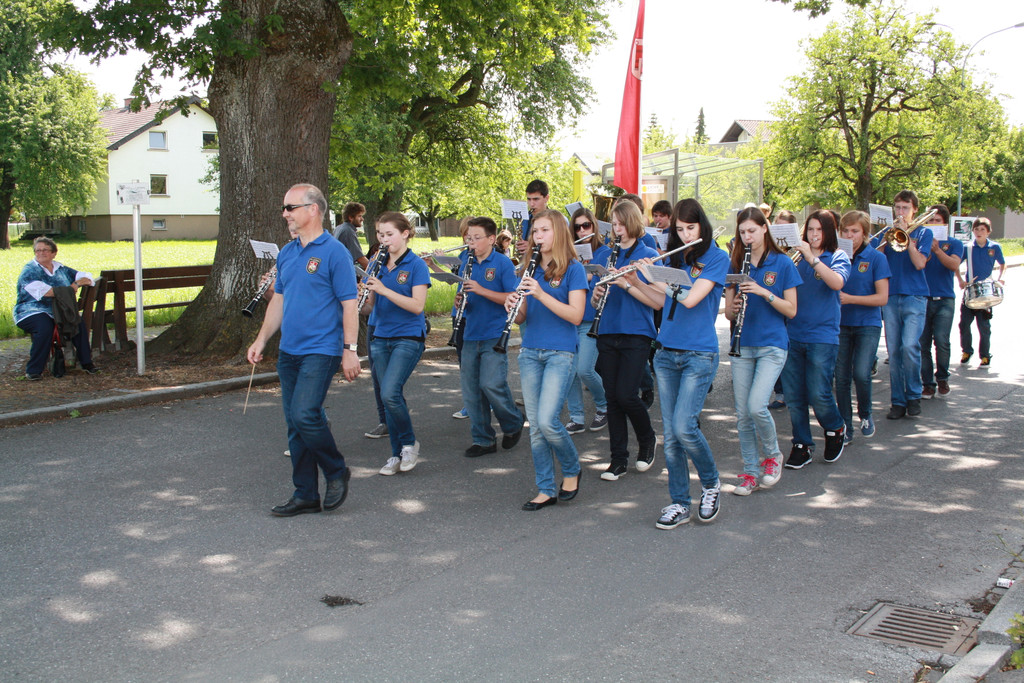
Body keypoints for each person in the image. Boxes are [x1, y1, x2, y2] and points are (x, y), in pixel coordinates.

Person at [247, 184, 360, 517]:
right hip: (290, 351)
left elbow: (349, 304)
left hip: (321, 349)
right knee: (295, 424)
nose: (285, 214)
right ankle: (306, 493)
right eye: (284, 208)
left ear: (313, 209)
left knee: (305, 414)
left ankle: (336, 470)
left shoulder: (334, 251)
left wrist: (349, 349)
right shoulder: (287, 252)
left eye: (290, 207)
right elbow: (278, 301)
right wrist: (261, 339)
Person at [631, 199, 729, 527]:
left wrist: (653, 275)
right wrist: (632, 281)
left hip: (699, 354)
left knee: (685, 427)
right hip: (666, 352)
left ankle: (712, 483)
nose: (686, 235)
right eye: (680, 229)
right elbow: (661, 301)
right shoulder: (676, 257)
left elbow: (689, 298)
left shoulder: (716, 256)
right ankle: (680, 502)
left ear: (702, 225)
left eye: (691, 228)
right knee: (671, 435)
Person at [505, 209, 587, 511]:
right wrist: (511, 306)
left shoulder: (574, 270)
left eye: (544, 230)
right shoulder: (529, 269)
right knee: (536, 427)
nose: (538, 237)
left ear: (559, 233)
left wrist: (540, 293)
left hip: (560, 353)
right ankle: (545, 488)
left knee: (548, 421)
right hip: (530, 352)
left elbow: (575, 315)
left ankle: (572, 467)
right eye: (535, 232)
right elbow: (523, 316)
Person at [724, 207, 799, 496]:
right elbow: (730, 315)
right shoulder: (736, 264)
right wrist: (733, 307)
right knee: (742, 414)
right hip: (743, 345)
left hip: (771, 344)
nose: (747, 237)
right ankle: (750, 472)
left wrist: (763, 292)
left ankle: (773, 455)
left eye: (752, 231)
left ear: (764, 229)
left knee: (757, 406)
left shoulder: (782, 263)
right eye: (742, 232)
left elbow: (791, 310)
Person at [591, 200, 661, 481]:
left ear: (632, 222)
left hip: (637, 332)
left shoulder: (648, 254)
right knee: (612, 397)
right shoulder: (607, 254)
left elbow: (657, 301)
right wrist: (596, 296)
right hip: (607, 329)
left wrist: (628, 284)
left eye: (620, 224)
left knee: (627, 395)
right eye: (614, 224)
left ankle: (647, 440)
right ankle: (618, 459)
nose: (616, 229)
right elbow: (594, 296)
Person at [360, 212, 431, 476]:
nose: (384, 239)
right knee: (389, 396)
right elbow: (369, 309)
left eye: (389, 234)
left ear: (404, 234)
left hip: (408, 336)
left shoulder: (416, 265)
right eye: (380, 234)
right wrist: (362, 300)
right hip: (380, 336)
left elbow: (417, 306)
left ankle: (409, 443)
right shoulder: (375, 265)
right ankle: (395, 453)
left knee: (390, 392)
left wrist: (384, 289)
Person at [779, 211, 851, 469]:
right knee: (794, 395)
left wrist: (812, 259)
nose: (814, 235)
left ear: (829, 232)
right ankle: (802, 443)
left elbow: (837, 282)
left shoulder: (838, 256)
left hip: (822, 335)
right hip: (792, 333)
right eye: (810, 230)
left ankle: (834, 428)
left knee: (819, 393)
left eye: (819, 230)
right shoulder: (794, 259)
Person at [457, 216, 525, 457]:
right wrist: (460, 300)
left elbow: (512, 297)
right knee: (471, 389)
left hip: (494, 333)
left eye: (477, 238)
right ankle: (483, 439)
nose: (471, 242)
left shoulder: (503, 263)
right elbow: (464, 291)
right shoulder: (465, 260)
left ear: (491, 239)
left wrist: (481, 290)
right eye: (469, 238)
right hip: (470, 332)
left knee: (491, 384)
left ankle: (513, 421)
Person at [870, 190, 933, 419]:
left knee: (909, 346)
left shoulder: (924, 232)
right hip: (891, 296)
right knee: (894, 351)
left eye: (905, 208)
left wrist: (907, 237)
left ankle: (914, 395)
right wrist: (888, 238)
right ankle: (898, 401)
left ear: (914, 209)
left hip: (915, 296)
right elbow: (873, 258)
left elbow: (919, 264)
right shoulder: (887, 232)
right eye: (897, 207)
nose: (900, 212)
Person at [834, 210, 890, 444]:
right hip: (841, 324)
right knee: (841, 377)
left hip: (867, 323)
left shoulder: (876, 258)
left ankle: (865, 414)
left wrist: (851, 299)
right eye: (845, 231)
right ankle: (846, 425)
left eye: (854, 231)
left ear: (865, 233)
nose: (849, 235)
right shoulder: (837, 256)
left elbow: (882, 298)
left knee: (861, 373)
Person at [14, 237, 99, 380]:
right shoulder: (29, 271)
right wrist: (71, 288)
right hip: (31, 310)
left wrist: (76, 284)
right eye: (38, 250)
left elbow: (87, 277)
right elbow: (47, 292)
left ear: (54, 253)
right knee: (44, 327)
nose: (41, 253)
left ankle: (87, 363)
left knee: (77, 322)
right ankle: (34, 370)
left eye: (45, 250)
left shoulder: (61, 269)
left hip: (57, 311)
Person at [563, 208, 610, 434]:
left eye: (586, 225)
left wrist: (589, 275)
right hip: (569, 319)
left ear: (594, 226)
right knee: (569, 371)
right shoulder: (569, 253)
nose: (582, 230)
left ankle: (604, 406)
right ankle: (577, 417)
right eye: (577, 227)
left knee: (584, 370)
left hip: (591, 320)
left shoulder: (606, 252)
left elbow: (606, 281)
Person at [919, 204, 963, 397]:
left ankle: (942, 377)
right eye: (930, 221)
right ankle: (927, 383)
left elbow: (953, 264)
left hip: (944, 298)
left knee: (942, 340)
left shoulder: (954, 243)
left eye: (937, 221)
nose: (933, 223)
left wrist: (937, 251)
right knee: (923, 344)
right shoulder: (921, 242)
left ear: (945, 223)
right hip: (923, 298)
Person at [957, 217, 1005, 367]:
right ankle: (966, 351)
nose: (979, 232)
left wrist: (1001, 279)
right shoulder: (968, 247)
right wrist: (960, 280)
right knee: (964, 324)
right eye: (976, 229)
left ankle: (985, 355)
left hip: (985, 293)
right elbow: (956, 264)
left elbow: (1003, 264)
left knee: (984, 326)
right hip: (971, 291)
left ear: (988, 232)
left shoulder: (994, 248)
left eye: (982, 230)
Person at [516, 179, 550, 258]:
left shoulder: (557, 220)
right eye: (529, 199)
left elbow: (560, 247)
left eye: (536, 199)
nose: (531, 204)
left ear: (546, 198)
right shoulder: (525, 220)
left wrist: (532, 247)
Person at [332, 202, 369, 270]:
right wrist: (376, 272)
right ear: (351, 217)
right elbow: (360, 258)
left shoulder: (339, 228)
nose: (362, 219)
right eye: (359, 216)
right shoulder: (348, 231)